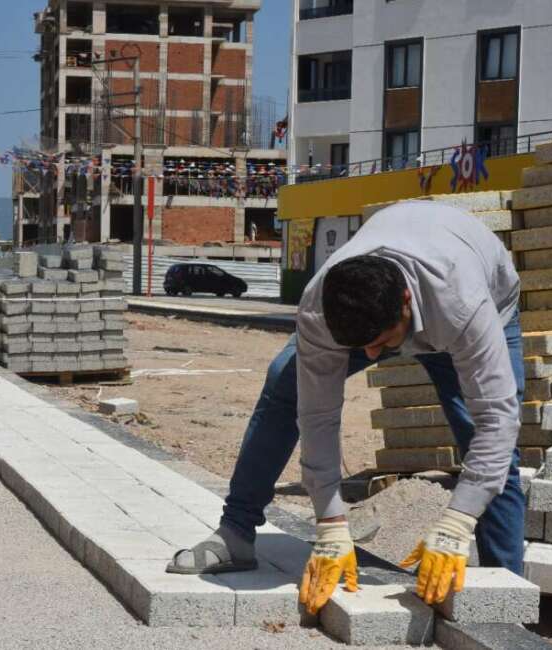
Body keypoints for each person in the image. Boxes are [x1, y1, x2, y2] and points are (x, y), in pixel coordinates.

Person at [167, 200, 525, 615]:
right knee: (286, 385)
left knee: (490, 446)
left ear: (405, 301)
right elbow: (317, 415)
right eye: (361, 347)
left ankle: (505, 600)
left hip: (482, 297)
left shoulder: (464, 306)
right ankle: (236, 532)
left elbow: (497, 422)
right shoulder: (319, 308)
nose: (373, 355)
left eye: (380, 342)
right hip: (399, 294)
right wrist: (331, 522)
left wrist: (458, 520)